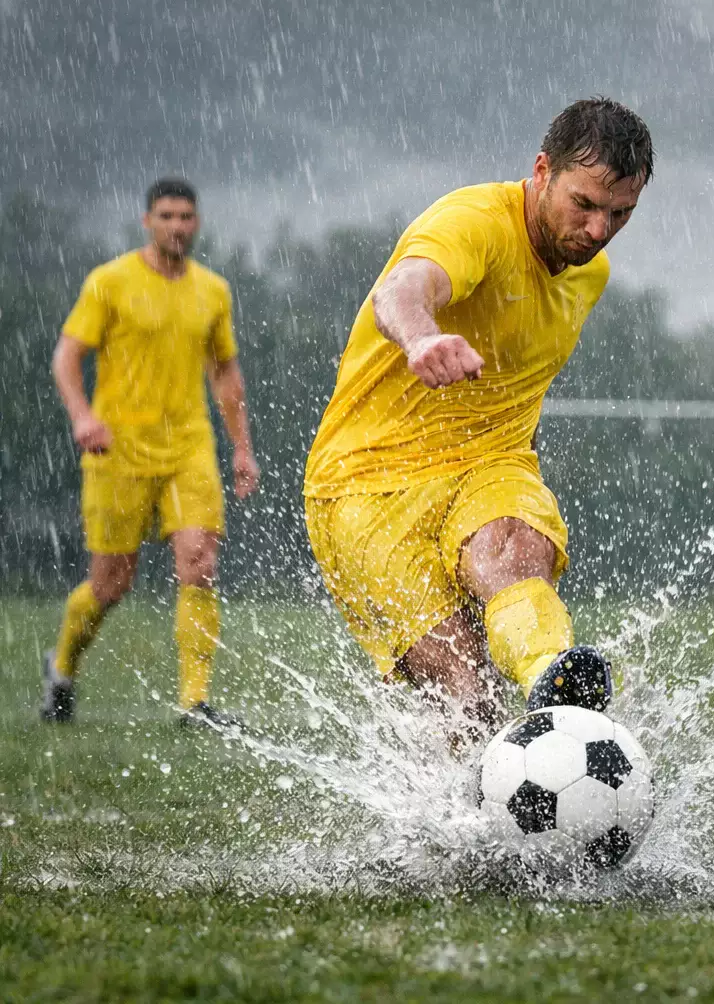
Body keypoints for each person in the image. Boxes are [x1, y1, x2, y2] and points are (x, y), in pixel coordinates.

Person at [303, 98, 652, 740]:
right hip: (366, 485)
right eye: (585, 204)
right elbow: (403, 288)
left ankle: (557, 683)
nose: (599, 231)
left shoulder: (588, 273)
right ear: (541, 170)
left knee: (515, 549)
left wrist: (524, 483)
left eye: (620, 213)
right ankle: (474, 828)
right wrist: (420, 340)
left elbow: (523, 380)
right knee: (470, 695)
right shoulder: (475, 222)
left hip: (491, 463)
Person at [42, 178, 260, 726]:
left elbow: (225, 370)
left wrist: (242, 448)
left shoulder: (213, 290)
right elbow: (66, 359)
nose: (177, 226)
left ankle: (195, 702)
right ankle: (62, 666)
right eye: (166, 216)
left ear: (197, 224)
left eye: (186, 217)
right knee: (110, 584)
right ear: (147, 222)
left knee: (200, 564)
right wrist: (84, 417)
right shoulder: (109, 282)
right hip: (118, 451)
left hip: (189, 448)